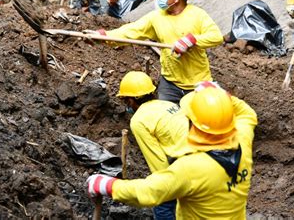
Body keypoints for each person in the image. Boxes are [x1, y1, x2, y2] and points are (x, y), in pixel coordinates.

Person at [86, 83, 258, 219]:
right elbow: (248, 114)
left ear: (194, 125)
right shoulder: (243, 140)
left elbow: (148, 192)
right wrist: (220, 97)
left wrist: (107, 185)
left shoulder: (190, 169)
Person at [95, 0, 223, 104]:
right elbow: (132, 31)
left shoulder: (198, 15)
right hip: (170, 84)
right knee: (167, 118)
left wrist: (192, 41)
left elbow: (216, 36)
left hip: (198, 84)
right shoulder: (156, 17)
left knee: (201, 120)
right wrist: (105, 36)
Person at [117, 71, 189, 219]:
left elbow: (158, 163)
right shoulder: (168, 104)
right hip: (207, 160)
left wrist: (162, 189)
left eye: (126, 100)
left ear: (131, 100)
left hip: (187, 166)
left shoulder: (139, 120)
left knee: (163, 206)